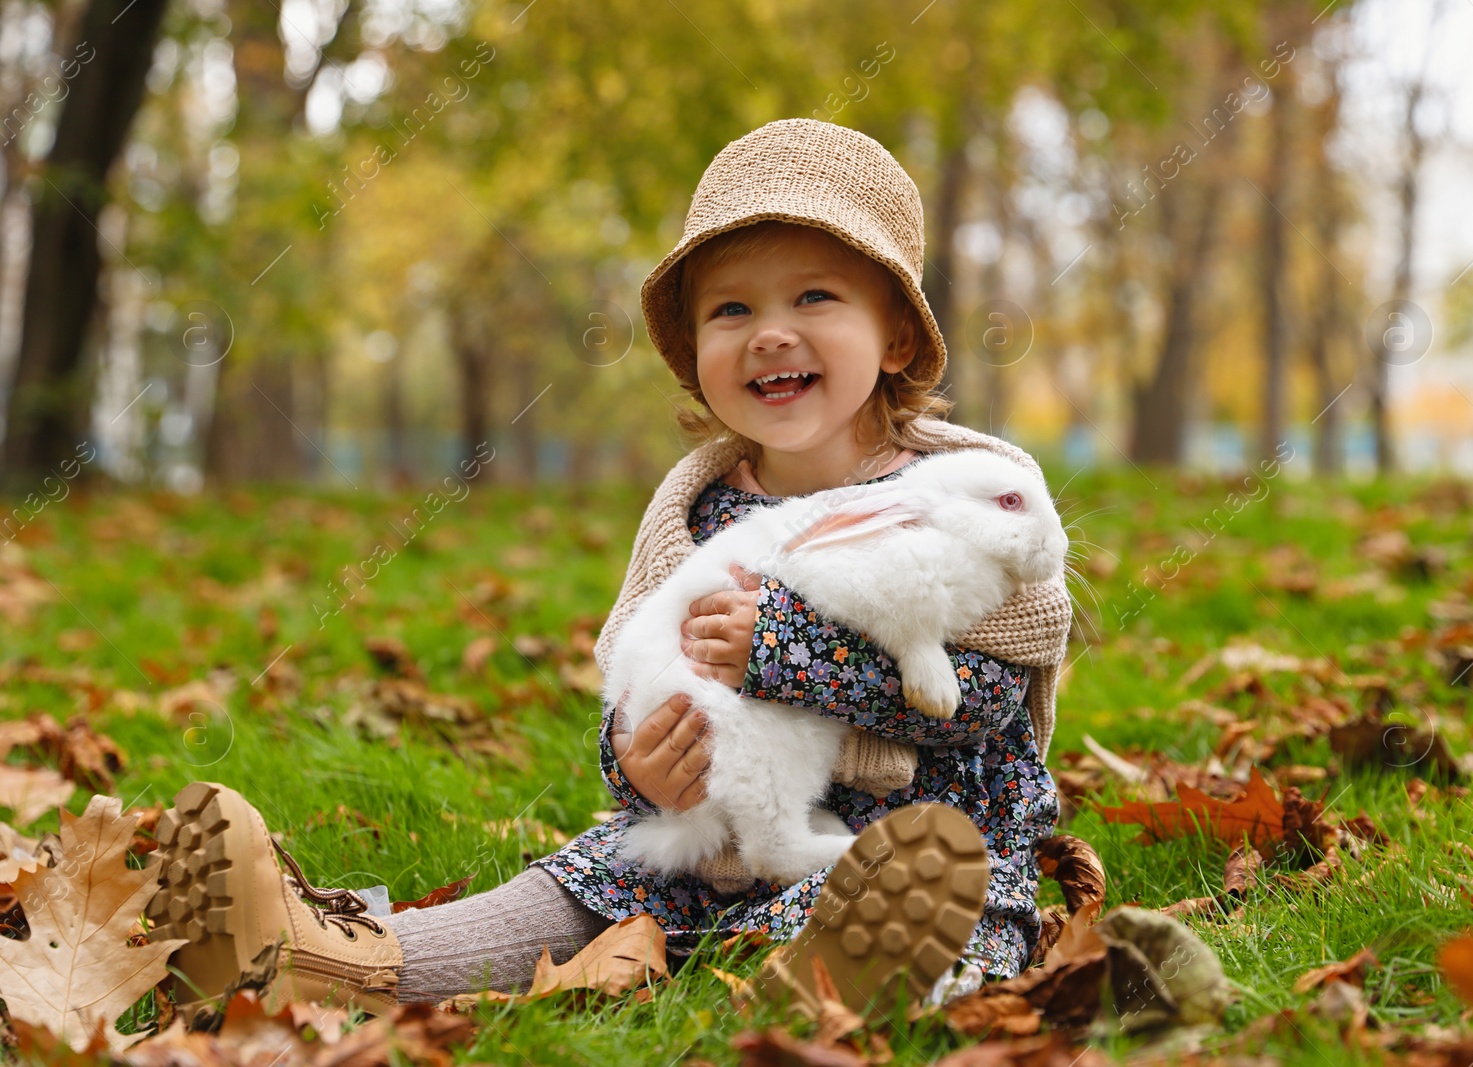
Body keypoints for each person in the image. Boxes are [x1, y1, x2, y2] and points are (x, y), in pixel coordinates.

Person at [147, 118, 1073, 1023]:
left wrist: (783, 649)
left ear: (898, 338)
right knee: (583, 882)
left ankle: (816, 979)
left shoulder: (969, 499)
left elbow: (982, 697)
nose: (769, 334)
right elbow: (643, 670)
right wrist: (639, 764)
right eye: (732, 309)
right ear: (694, 350)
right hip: (717, 842)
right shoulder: (697, 514)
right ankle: (329, 957)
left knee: (920, 909)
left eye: (815, 299)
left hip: (910, 847)